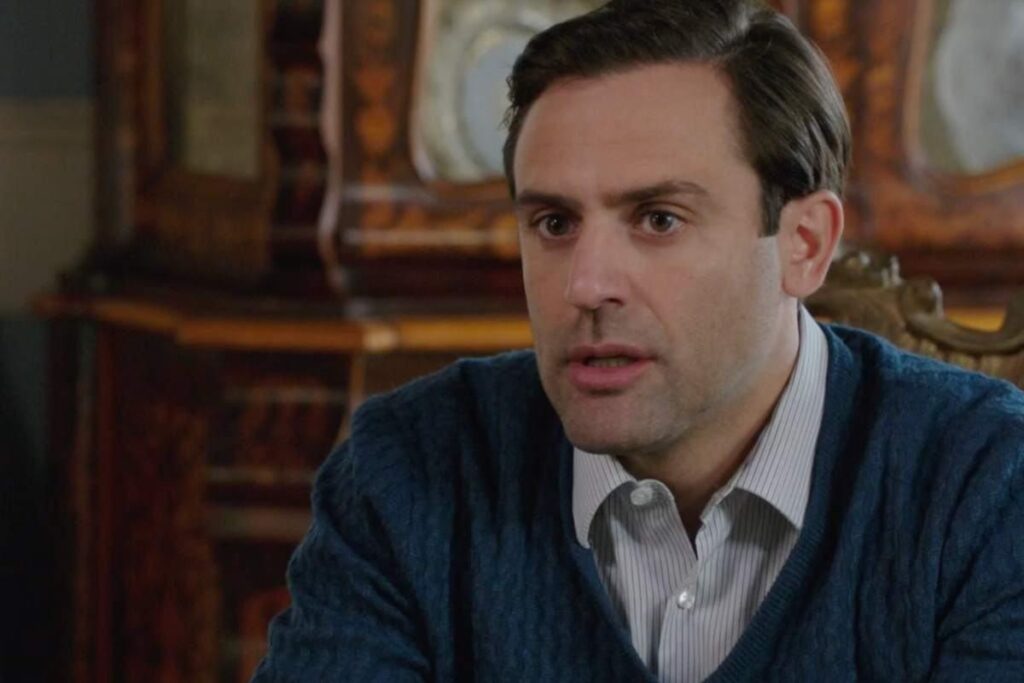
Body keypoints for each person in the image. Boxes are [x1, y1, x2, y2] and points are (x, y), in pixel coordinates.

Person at [253, 0, 1024, 680]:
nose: (585, 285)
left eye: (658, 219)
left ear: (805, 243)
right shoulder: (408, 470)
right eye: (554, 223)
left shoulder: (987, 486)